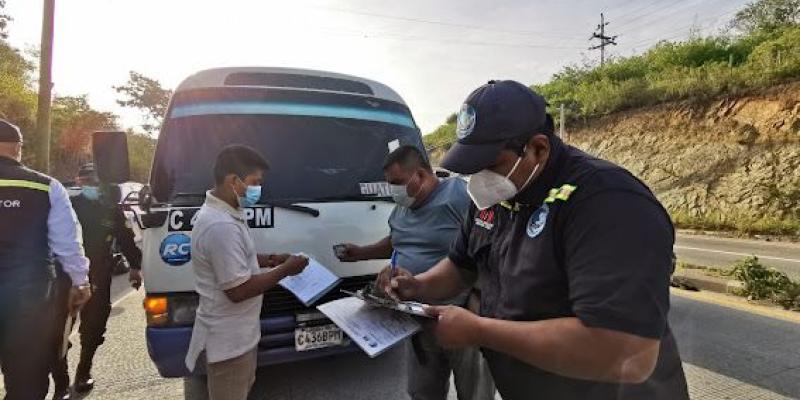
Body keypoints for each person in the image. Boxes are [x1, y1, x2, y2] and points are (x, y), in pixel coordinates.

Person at [384, 81, 690, 400]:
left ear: (538, 148)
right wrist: (416, 286)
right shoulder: (496, 195)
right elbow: (462, 266)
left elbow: (627, 354)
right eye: (471, 167)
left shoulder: (607, 203)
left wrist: (480, 330)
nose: (478, 179)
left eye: (490, 164)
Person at [336, 145, 495, 400]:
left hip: (462, 315)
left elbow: (491, 245)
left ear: (420, 175)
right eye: (389, 184)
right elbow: (396, 240)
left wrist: (478, 295)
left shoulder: (459, 196)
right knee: (422, 391)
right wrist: (362, 252)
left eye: (397, 182)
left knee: (474, 393)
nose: (393, 191)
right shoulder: (403, 207)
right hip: (416, 318)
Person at [185, 144, 309, 400]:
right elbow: (238, 290)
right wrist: (286, 269)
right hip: (229, 344)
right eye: (254, 182)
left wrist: (272, 259)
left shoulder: (227, 214)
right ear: (234, 181)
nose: (257, 189)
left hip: (239, 335)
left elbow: (238, 258)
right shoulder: (220, 225)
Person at [0, 119, 91, 400]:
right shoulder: (46, 187)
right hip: (29, 298)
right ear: (18, 148)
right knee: (26, 380)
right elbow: (67, 242)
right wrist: (80, 281)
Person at [48, 163, 144, 398]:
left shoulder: (109, 209)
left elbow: (126, 238)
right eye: (86, 181)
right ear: (78, 181)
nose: (91, 186)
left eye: (95, 182)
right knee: (56, 331)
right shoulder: (66, 205)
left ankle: (83, 372)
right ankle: (61, 382)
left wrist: (135, 267)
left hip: (98, 272)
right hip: (64, 276)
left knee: (94, 327)